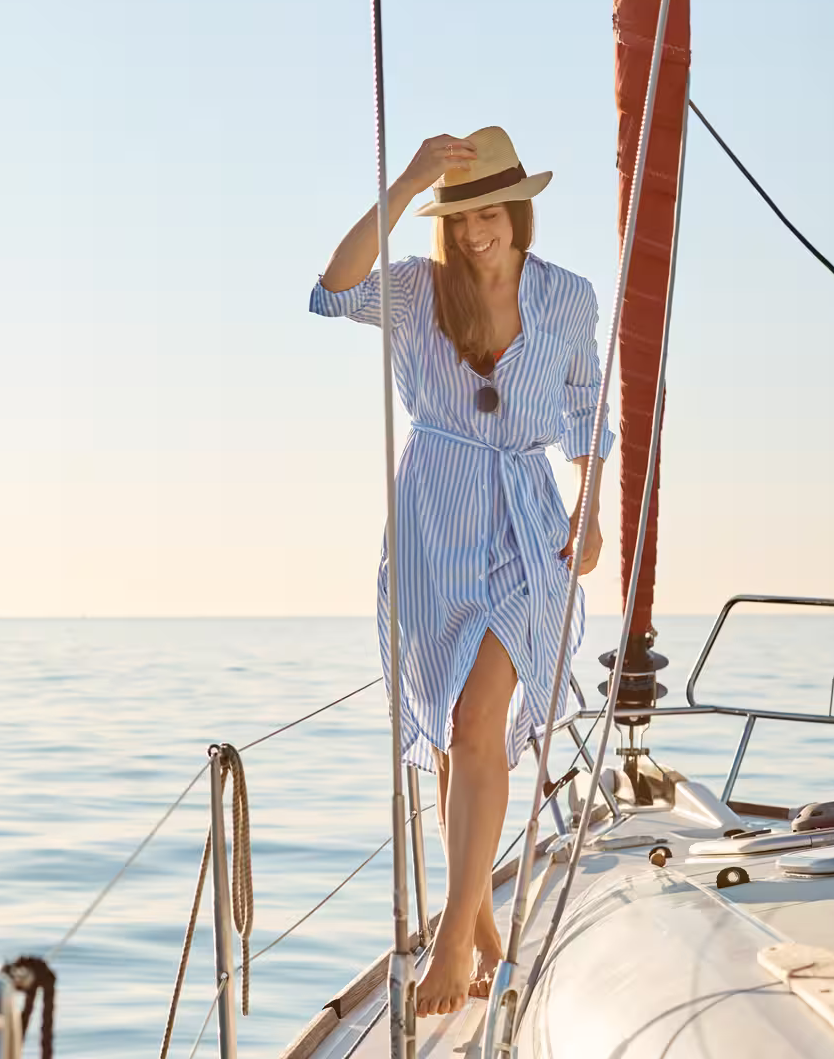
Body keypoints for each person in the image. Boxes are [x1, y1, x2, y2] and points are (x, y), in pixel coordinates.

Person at [309, 127, 612, 1017]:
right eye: (459, 218)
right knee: (451, 739)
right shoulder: (415, 290)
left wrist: (590, 510)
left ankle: (450, 938)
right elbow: (331, 292)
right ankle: (480, 929)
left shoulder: (568, 298)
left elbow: (592, 411)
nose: (475, 233)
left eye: (487, 213)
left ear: (517, 211)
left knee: (482, 719)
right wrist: (405, 185)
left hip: (527, 522)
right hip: (434, 523)